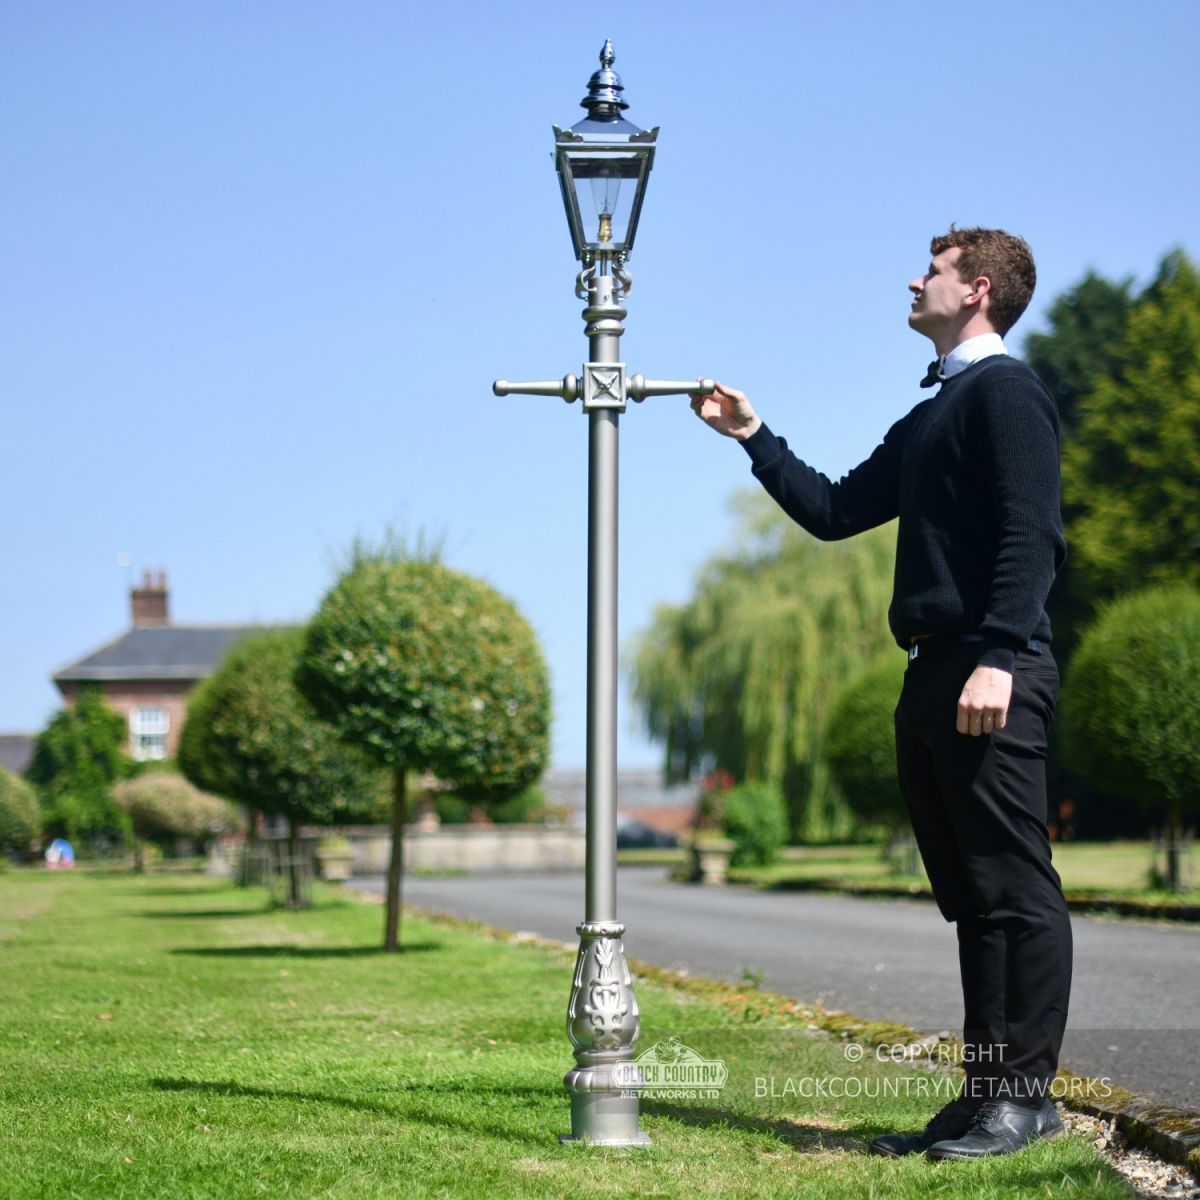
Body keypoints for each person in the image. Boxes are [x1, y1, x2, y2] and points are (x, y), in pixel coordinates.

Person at [690, 226, 1071, 1161]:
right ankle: (988, 1097)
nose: (913, 280)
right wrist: (753, 436)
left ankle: (1025, 1101)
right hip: (933, 671)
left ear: (977, 290)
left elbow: (1032, 535)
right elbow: (834, 511)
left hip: (989, 668)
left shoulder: (1007, 392)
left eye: (932, 271)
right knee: (972, 899)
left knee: (1015, 892)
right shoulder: (934, 412)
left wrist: (999, 654)